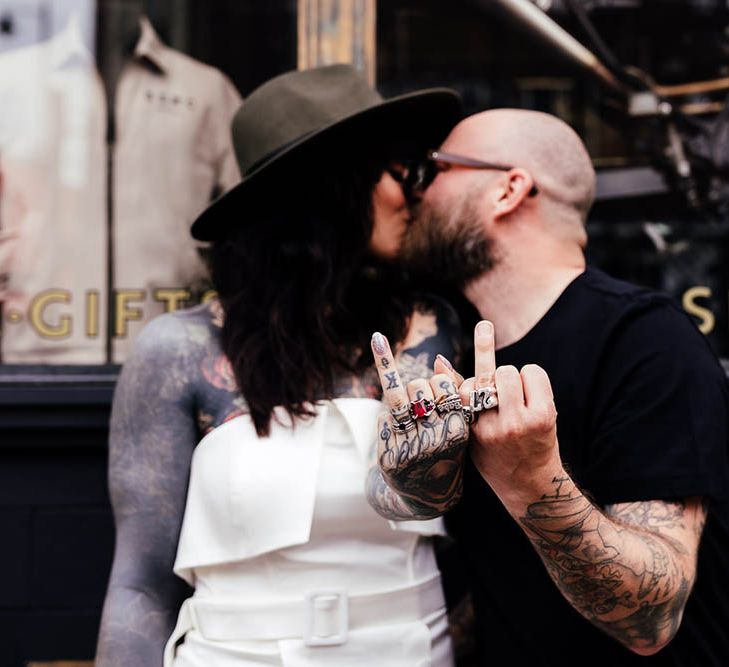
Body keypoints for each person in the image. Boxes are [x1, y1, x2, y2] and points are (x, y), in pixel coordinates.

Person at [94, 64, 465, 667]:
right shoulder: (179, 351)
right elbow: (140, 585)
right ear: (336, 187)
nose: (415, 191)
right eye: (401, 172)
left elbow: (478, 553)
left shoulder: (436, 332)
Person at [366, 109, 729, 666]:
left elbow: (652, 620)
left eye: (436, 170)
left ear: (509, 189)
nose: (418, 192)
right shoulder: (453, 348)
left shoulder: (645, 341)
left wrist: (531, 482)